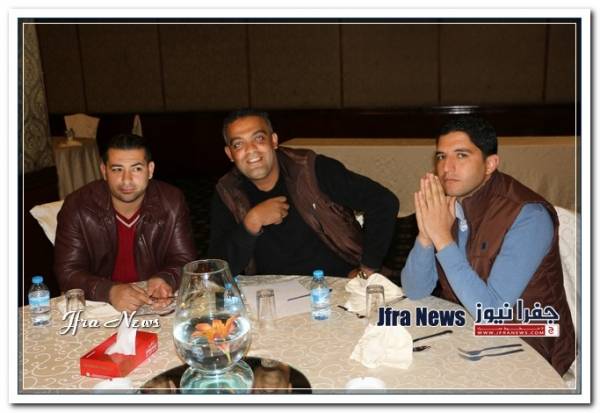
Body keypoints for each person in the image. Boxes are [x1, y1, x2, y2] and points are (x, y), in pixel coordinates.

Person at [401, 116, 575, 376]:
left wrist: (443, 239)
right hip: (467, 331)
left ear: (490, 164)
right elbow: (415, 290)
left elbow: (493, 314)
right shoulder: (449, 204)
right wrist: (426, 235)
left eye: (461, 155)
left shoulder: (527, 215)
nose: (447, 167)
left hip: (529, 341)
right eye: (441, 156)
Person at [208, 109, 399, 278]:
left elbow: (383, 201)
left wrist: (366, 270)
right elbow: (217, 270)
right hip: (271, 295)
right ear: (230, 154)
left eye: (258, 139)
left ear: (274, 141)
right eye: (238, 145)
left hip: (336, 285)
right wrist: (251, 223)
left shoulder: (311, 169)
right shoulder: (228, 191)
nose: (250, 150)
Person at [54, 134, 197, 312]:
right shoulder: (77, 206)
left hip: (152, 302)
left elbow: (184, 260)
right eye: (117, 169)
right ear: (104, 171)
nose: (126, 180)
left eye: (136, 169)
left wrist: (166, 278)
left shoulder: (172, 201)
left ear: (150, 170)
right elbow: (67, 272)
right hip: (99, 306)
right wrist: (109, 291)